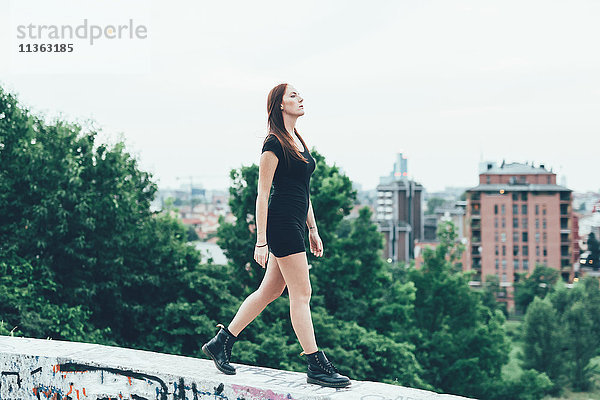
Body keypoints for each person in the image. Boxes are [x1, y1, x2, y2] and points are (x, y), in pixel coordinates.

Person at [202, 83, 351, 388]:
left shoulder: (297, 140)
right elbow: (262, 194)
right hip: (281, 224)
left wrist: (313, 229)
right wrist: (261, 241)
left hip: (296, 223)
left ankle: (221, 342)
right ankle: (315, 364)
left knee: (269, 291)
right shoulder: (273, 144)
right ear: (280, 105)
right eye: (293, 95)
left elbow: (303, 191)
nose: (301, 98)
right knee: (302, 294)